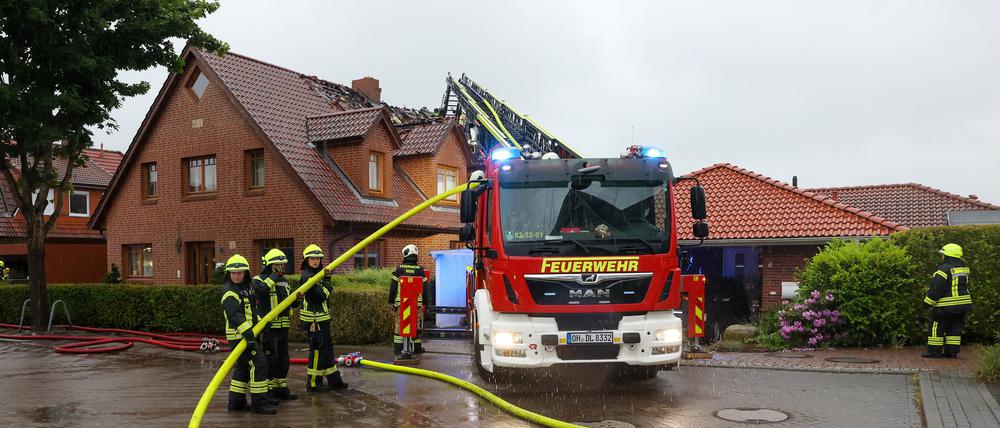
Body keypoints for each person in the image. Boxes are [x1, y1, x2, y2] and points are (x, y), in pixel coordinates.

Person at [220, 254, 276, 414]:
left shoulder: (246, 289)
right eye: (233, 273)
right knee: (259, 364)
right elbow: (235, 316)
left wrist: (262, 323)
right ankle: (259, 404)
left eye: (239, 273)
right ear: (228, 274)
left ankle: (236, 403)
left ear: (245, 273)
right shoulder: (229, 292)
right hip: (240, 337)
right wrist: (249, 334)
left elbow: (251, 312)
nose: (236, 276)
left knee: (243, 368)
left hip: (247, 335)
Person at [299, 244, 349, 392]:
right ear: (306, 260)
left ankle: (334, 380)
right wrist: (328, 284)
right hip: (314, 322)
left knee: (327, 351)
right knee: (317, 353)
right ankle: (313, 383)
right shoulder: (307, 276)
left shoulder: (318, 274)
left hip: (322, 320)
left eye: (318, 258)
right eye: (312, 258)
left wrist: (325, 281)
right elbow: (321, 296)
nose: (315, 261)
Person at [252, 249, 299, 401]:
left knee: (283, 360)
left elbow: (289, 302)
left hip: (283, 327)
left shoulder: (284, 280)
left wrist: (297, 299)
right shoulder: (258, 279)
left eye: (282, 264)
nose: (281, 267)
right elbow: (261, 292)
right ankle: (269, 391)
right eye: (277, 264)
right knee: (270, 360)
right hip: (268, 328)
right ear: (269, 264)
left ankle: (281, 388)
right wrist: (272, 277)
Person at [922, 243, 973, 359]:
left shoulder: (943, 270)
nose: (942, 257)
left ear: (948, 256)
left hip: (945, 306)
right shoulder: (964, 269)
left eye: (943, 255)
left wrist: (927, 303)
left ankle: (934, 352)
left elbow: (936, 289)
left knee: (936, 326)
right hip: (963, 306)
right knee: (954, 327)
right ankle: (952, 352)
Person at [389, 244, 428, 359]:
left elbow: (393, 288)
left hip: (401, 304)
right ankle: (416, 348)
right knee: (415, 325)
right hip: (417, 305)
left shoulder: (399, 270)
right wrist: (426, 303)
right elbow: (425, 289)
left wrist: (391, 302)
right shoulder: (420, 271)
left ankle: (398, 348)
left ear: (405, 254)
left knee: (399, 325)